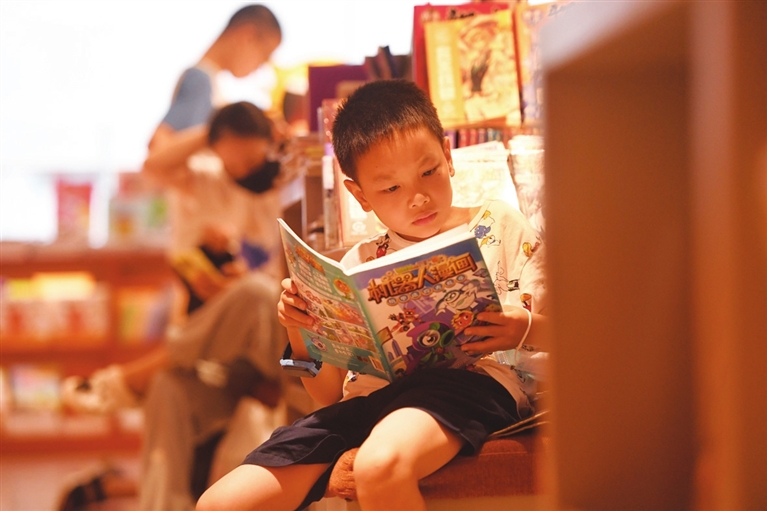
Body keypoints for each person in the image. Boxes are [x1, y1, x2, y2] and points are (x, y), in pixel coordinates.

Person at [196, 79, 548, 511]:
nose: (418, 198)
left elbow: (571, 338)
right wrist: (298, 329)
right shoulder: (357, 264)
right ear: (359, 195)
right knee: (219, 504)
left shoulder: (499, 224)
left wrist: (523, 327)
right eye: (391, 188)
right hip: (368, 401)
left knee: (378, 465)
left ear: (448, 155)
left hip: (468, 389)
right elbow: (326, 395)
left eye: (428, 172)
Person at [59, 6, 285, 507]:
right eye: (265, 52)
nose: (262, 64)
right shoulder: (203, 85)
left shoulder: (258, 182)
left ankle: (126, 383)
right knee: (172, 391)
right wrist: (217, 129)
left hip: (237, 324)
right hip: (209, 311)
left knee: (242, 306)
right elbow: (157, 152)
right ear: (248, 35)